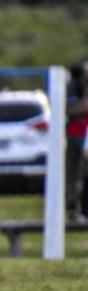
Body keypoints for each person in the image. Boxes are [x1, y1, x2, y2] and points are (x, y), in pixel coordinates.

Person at [65, 63, 88, 221]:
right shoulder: (74, 87)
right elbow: (71, 109)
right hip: (77, 134)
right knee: (76, 173)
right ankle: (73, 209)